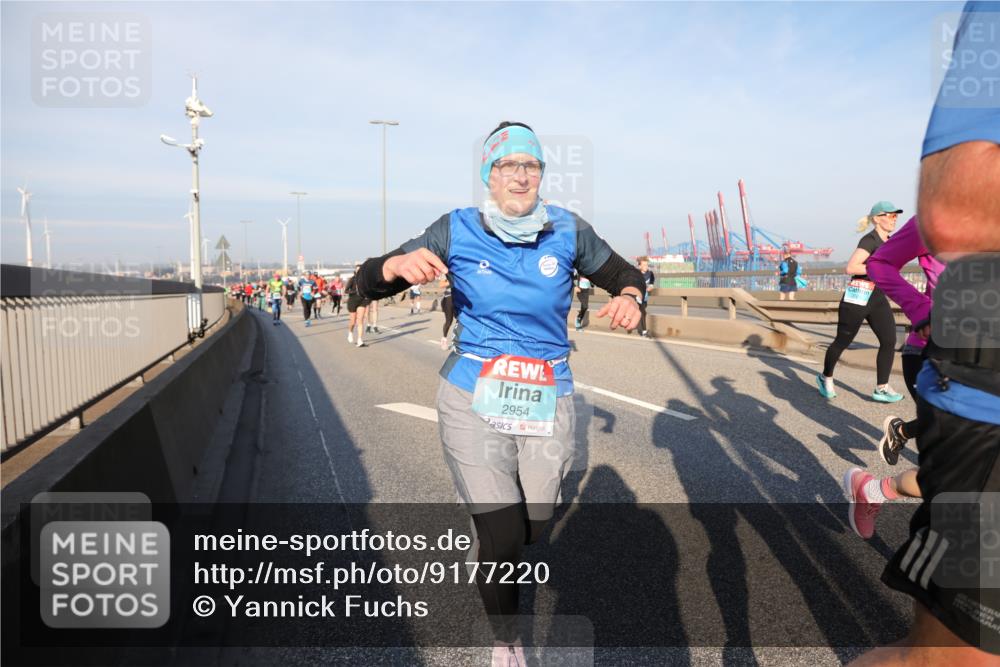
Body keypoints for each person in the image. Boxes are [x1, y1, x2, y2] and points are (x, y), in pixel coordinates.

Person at [354, 121, 644, 665]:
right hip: (473, 389)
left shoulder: (568, 230)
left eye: (531, 165)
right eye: (508, 166)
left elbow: (626, 272)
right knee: (505, 533)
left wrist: (630, 295)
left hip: (547, 390)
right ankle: (506, 641)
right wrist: (391, 267)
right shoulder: (455, 228)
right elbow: (367, 281)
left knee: (534, 522)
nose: (521, 176)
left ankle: (492, 539)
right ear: (489, 175)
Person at [848, 3, 1000, 665]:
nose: (887, 219)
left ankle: (879, 484)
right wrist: (924, 308)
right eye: (882, 213)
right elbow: (947, 219)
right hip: (956, 359)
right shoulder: (906, 229)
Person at [841, 216, 944, 539]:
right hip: (935, 355)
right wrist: (922, 311)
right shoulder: (940, 214)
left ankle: (874, 490)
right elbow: (879, 263)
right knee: (961, 478)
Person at [815, 201, 904, 403]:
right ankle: (825, 377)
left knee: (889, 340)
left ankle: (881, 388)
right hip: (858, 297)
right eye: (890, 215)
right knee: (842, 342)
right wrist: (878, 269)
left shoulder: (890, 241)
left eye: (896, 216)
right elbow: (851, 267)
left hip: (877, 297)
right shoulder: (869, 240)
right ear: (876, 219)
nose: (894, 219)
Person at [345, 266, 368, 347]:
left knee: (360, 321)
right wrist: (355, 291)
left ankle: (359, 340)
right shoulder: (352, 279)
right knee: (352, 322)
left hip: (362, 301)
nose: (359, 272)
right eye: (357, 270)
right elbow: (346, 290)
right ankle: (350, 332)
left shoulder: (366, 280)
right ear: (355, 271)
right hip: (353, 301)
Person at [637, 257, 654, 337]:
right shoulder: (636, 274)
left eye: (647, 265)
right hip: (637, 296)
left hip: (645, 297)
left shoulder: (650, 274)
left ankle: (642, 329)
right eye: (644, 265)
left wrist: (650, 287)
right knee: (643, 312)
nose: (646, 266)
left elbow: (651, 285)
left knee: (642, 312)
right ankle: (644, 331)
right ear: (639, 266)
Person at [439, 275, 454, 350]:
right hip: (449, 297)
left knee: (461, 320)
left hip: (460, 298)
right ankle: (444, 340)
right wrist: (453, 281)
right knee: (449, 321)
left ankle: (458, 342)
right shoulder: (446, 272)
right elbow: (441, 284)